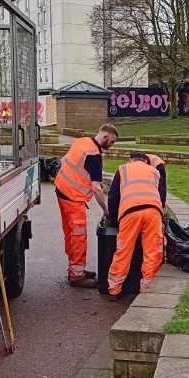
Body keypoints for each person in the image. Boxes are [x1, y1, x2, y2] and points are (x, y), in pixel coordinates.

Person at [54, 123, 118, 288]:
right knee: (78, 234)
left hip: (61, 189)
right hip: (73, 197)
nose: (112, 145)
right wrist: (106, 209)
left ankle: (74, 266)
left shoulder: (82, 141)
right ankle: (76, 275)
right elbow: (96, 188)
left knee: (69, 231)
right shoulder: (94, 155)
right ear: (104, 137)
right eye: (112, 141)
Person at [106, 151, 165, 297]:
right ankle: (147, 288)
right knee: (152, 251)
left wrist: (113, 219)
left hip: (130, 212)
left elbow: (113, 197)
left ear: (130, 159)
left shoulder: (123, 169)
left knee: (123, 250)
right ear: (146, 161)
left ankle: (114, 288)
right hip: (153, 212)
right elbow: (162, 195)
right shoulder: (154, 171)